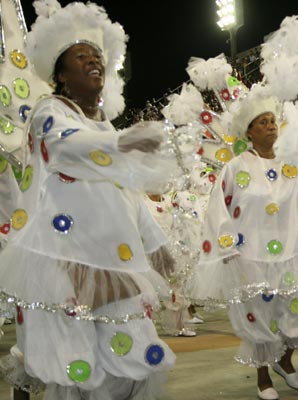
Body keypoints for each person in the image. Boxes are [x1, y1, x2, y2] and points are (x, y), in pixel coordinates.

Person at [0, 2, 176, 398]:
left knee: (130, 358)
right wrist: (123, 142)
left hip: (113, 256)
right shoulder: (50, 112)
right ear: (61, 74)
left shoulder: (102, 125)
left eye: (97, 55)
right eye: (82, 56)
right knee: (77, 364)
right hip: (69, 259)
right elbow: (68, 149)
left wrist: (155, 241)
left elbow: (126, 189)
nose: (94, 61)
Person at [189, 90, 298, 400]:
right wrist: (226, 248)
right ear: (249, 131)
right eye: (262, 122)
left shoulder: (296, 164)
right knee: (259, 318)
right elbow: (218, 207)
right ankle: (263, 375)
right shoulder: (236, 167)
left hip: (291, 254)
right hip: (250, 255)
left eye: (273, 120)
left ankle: (284, 361)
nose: (271, 126)